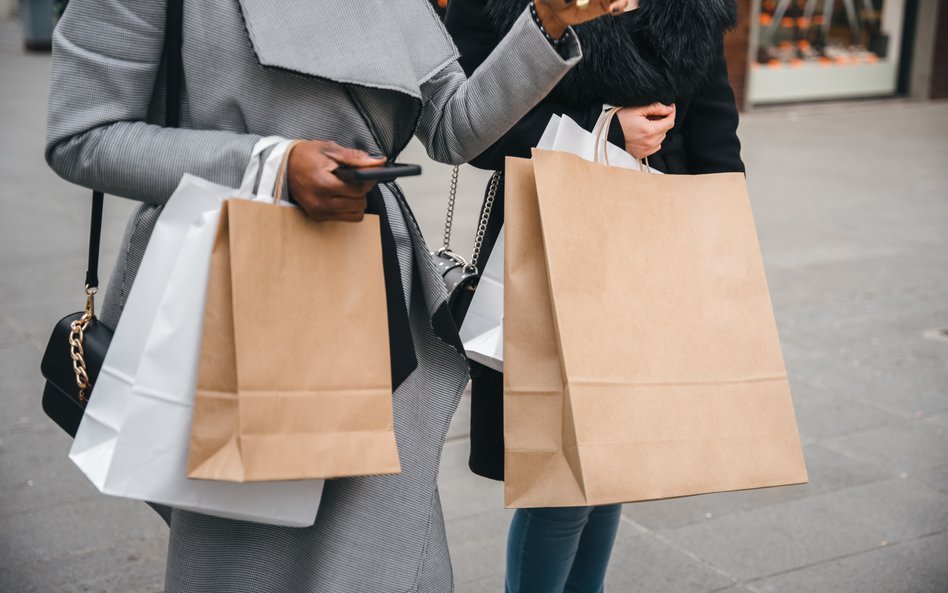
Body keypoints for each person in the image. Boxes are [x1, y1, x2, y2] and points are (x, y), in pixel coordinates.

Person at [44, 0, 630, 591]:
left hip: (375, 292)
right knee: (248, 555)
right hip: (235, 290)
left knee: (388, 545)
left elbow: (453, 128)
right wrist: (270, 166)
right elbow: (83, 135)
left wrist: (547, 22)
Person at [444, 0, 746, 591]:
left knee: (613, 464)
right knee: (564, 478)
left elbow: (714, 124)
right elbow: (468, 127)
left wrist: (723, 246)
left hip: (658, 240)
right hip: (552, 238)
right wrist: (601, 130)